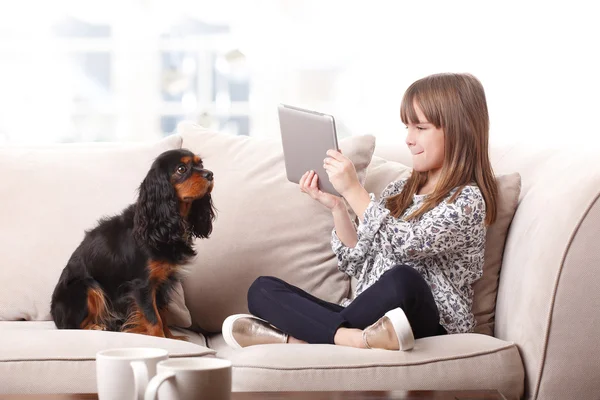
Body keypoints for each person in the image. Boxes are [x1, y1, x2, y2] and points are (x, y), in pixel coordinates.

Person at [222, 72, 498, 351]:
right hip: (370, 319)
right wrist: (339, 206)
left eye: (420, 128)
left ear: (458, 130)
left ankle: (303, 338)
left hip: (428, 321)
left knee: (403, 280)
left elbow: (405, 245)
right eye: (407, 127)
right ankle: (352, 339)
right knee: (262, 289)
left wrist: (354, 190)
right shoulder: (400, 190)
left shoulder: (467, 200)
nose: (409, 139)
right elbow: (358, 264)